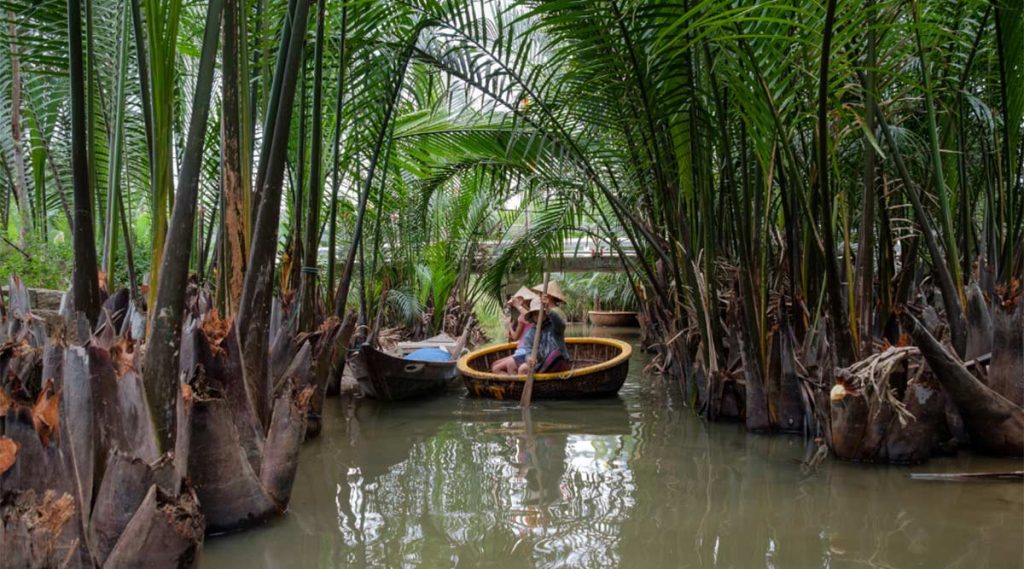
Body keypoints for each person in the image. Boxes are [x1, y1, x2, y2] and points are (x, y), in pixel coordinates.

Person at [517, 298, 571, 375]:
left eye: (541, 312)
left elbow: (561, 325)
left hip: (559, 362)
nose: (539, 316)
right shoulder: (529, 335)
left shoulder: (554, 326)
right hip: (542, 366)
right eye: (535, 314)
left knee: (555, 354)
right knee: (523, 368)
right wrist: (530, 359)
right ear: (532, 317)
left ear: (545, 313)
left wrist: (549, 310)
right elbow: (529, 351)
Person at [491, 288, 536, 374]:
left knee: (495, 368)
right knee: (494, 364)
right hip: (523, 350)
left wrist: (509, 326)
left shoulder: (527, 317)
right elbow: (515, 337)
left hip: (524, 351)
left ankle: (511, 383)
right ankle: (510, 379)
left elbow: (516, 337)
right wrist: (510, 328)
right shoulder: (528, 316)